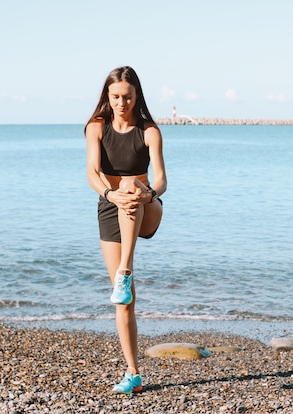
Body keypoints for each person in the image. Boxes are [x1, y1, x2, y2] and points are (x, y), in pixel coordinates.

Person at [85, 66, 167, 394]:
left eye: (128, 97)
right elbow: (92, 173)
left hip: (146, 208)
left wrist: (147, 193)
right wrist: (109, 194)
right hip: (109, 207)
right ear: (107, 96)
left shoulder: (149, 131)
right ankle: (133, 372)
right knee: (125, 301)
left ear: (137, 96)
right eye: (116, 96)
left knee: (133, 186)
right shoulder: (96, 128)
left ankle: (125, 268)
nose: (122, 103)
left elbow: (160, 179)